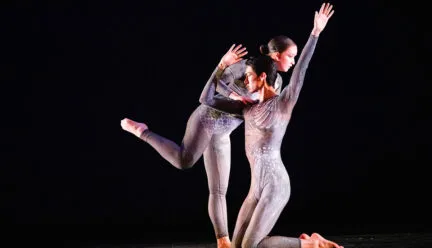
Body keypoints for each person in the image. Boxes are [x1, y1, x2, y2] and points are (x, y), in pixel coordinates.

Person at [120, 36, 295, 247]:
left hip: (223, 132)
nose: (292, 61)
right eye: (290, 56)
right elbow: (215, 88)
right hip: (208, 118)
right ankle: (143, 131)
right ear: (276, 55)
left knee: (219, 190)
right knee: (184, 161)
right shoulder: (246, 66)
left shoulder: (277, 82)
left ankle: (223, 241)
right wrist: (229, 81)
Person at [200, 3, 343, 248]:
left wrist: (315, 33)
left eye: (249, 77)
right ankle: (311, 241)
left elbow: (301, 69)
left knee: (249, 247)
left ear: (263, 77)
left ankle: (311, 245)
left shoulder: (283, 102)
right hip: (256, 188)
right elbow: (206, 99)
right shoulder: (246, 106)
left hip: (276, 185)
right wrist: (221, 65)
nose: (244, 81)